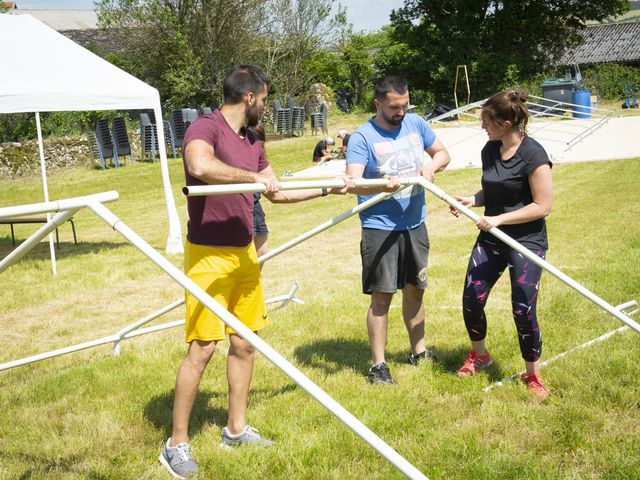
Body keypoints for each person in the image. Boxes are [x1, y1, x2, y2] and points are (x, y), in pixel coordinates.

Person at [160, 66, 350, 479]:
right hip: (208, 255)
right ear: (249, 97)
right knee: (203, 348)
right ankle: (176, 443)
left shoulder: (251, 141)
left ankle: (235, 429)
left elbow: (275, 190)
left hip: (244, 253)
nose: (264, 106)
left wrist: (327, 188)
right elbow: (200, 166)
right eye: (263, 100)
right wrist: (251, 180)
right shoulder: (205, 128)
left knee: (245, 343)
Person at [345, 75, 451, 385]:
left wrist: (431, 167)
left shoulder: (416, 124)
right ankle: (378, 366)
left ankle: (419, 351)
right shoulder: (362, 137)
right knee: (382, 297)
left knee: (416, 290)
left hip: (415, 223)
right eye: (394, 107)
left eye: (404, 105)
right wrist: (381, 184)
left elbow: (442, 153)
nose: (400, 112)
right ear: (378, 104)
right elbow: (353, 181)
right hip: (380, 228)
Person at [449, 89, 553, 399]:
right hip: (492, 238)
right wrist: (473, 199)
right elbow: (495, 191)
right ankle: (480, 355)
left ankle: (532, 374)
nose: (482, 126)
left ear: (505, 123)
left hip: (527, 240)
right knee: (471, 298)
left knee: (523, 309)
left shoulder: (534, 155)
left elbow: (542, 206)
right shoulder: (490, 149)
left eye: (486, 121)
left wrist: (498, 220)